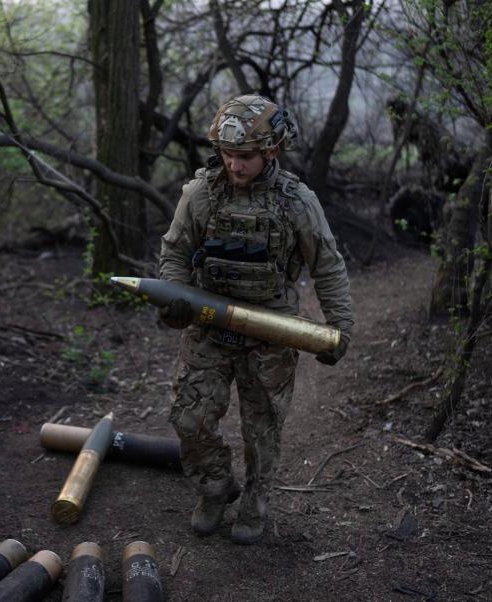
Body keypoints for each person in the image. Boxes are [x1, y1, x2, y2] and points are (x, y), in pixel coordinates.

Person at [158, 94, 354, 544]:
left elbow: (327, 263)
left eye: (244, 156)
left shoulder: (297, 203)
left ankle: (256, 498)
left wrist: (339, 327)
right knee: (189, 418)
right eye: (227, 155)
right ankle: (214, 487)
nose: (234, 165)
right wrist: (174, 294)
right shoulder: (200, 195)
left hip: (271, 329)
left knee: (262, 428)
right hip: (210, 322)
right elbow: (175, 251)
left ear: (271, 152)